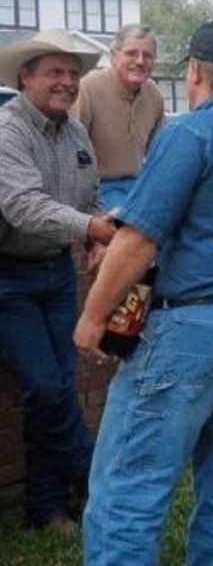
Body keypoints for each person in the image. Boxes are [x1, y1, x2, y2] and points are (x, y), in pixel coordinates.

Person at [74, 21, 213, 565]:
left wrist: (93, 318)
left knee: (129, 484)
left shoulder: (191, 133)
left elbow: (139, 242)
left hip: (192, 332)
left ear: (194, 72)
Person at [0, 29, 117, 534]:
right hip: (8, 277)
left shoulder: (75, 133)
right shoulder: (8, 132)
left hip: (54, 273)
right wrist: (90, 228)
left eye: (73, 73)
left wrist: (93, 230)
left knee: (51, 391)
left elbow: (87, 197)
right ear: (26, 78)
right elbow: (22, 206)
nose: (67, 82)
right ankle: (97, 477)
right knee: (46, 388)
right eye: (54, 72)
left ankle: (44, 508)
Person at [75, 23, 164, 209]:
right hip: (97, 188)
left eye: (147, 55)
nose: (140, 61)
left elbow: (159, 151)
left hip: (139, 185)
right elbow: (70, 152)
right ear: (114, 56)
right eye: (131, 53)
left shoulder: (153, 93)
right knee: (134, 228)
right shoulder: (88, 88)